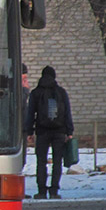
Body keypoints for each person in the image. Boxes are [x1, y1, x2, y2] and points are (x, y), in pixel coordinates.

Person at [25, 65, 74, 199]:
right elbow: (67, 113)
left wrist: (29, 131)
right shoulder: (61, 92)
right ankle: (54, 191)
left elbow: (30, 114)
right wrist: (69, 131)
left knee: (41, 161)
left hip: (42, 132)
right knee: (57, 162)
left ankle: (41, 191)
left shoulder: (35, 93)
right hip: (59, 131)